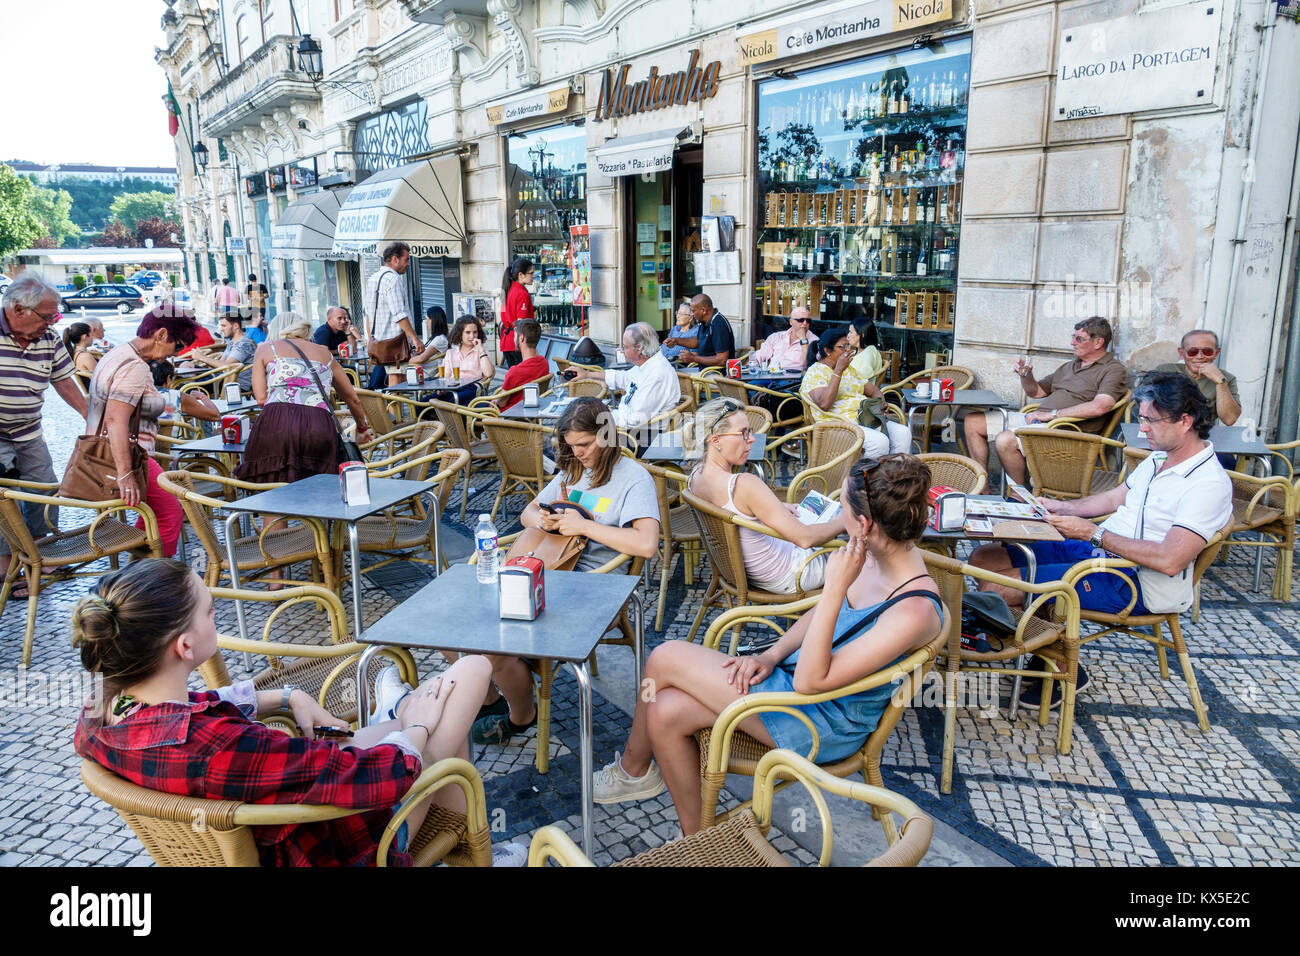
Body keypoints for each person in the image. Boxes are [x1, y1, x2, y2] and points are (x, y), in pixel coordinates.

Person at [72, 558, 527, 867]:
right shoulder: (224, 748)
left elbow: (193, 709)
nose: (217, 616)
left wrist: (287, 697)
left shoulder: (101, 713)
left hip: (274, 823)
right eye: (210, 612)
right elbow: (383, 775)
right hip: (338, 845)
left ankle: (403, 711)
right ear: (185, 646)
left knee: (420, 719)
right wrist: (418, 730)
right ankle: (472, 846)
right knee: (470, 674)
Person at [591, 454, 944, 834]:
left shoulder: (914, 611)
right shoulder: (874, 558)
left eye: (841, 506)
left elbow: (811, 681)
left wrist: (835, 588)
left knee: (664, 656)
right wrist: (771, 654)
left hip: (822, 722)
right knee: (664, 709)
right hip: (796, 686)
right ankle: (699, 839)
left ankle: (633, 769)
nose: (837, 514)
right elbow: (822, 622)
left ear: (864, 523)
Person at [968, 371, 1232, 708]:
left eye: (1150, 420)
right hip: (1101, 550)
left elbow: (1170, 560)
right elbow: (1112, 500)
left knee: (997, 589)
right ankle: (1049, 643)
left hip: (1135, 578)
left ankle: (1061, 660)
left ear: (1185, 421)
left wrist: (1094, 533)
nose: (1143, 429)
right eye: (1141, 419)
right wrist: (1058, 506)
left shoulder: (1207, 484)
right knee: (985, 558)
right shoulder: (1159, 457)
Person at [470, 398, 659, 746]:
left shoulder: (634, 478)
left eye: (585, 444)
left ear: (607, 434)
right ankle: (494, 693)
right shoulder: (573, 469)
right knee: (466, 623)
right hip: (552, 570)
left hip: (596, 585)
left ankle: (519, 713)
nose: (579, 453)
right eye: (571, 446)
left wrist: (582, 527)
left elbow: (647, 545)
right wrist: (545, 519)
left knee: (495, 646)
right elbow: (528, 513)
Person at [685, 397, 841, 592]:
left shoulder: (695, 476)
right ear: (715, 440)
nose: (751, 439)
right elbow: (805, 538)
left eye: (749, 431)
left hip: (750, 571)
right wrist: (845, 521)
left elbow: (737, 513)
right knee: (863, 546)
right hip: (792, 573)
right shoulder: (744, 485)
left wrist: (773, 508)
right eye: (743, 433)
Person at [84, 305, 205, 557]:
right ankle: (157, 581)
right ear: (161, 335)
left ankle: (140, 573)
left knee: (155, 513)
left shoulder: (117, 354)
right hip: (129, 454)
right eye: (178, 345)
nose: (176, 354)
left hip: (109, 452)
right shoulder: (134, 366)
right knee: (170, 511)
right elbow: (116, 420)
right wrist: (125, 472)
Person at [0, 274, 90, 592]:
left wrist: (90, 417)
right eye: (47, 316)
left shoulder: (48, 338)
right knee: (5, 495)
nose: (52, 322)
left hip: (27, 430)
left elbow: (64, 381)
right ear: (18, 309)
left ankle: (42, 549)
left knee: (44, 488)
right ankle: (8, 565)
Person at [964, 316, 1128, 485]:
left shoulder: (1113, 370)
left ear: (1098, 342)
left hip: (1066, 430)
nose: (1072, 342)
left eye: (1079, 339)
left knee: (1006, 440)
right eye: (1073, 337)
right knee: (973, 422)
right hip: (1039, 421)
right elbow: (1035, 392)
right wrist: (1025, 375)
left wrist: (1053, 415)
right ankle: (982, 488)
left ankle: (1018, 497)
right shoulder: (1070, 366)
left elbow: (1101, 406)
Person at [236, 313, 373, 485]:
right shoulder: (325, 354)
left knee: (271, 491)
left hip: (276, 422)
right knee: (319, 488)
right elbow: (353, 399)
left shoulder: (266, 348)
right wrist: (362, 428)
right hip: (317, 422)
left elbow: (261, 399)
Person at [800, 327, 905, 456]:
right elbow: (824, 404)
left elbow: (873, 390)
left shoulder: (849, 370)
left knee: (903, 434)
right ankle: (867, 476)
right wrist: (838, 371)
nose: (848, 351)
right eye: (843, 347)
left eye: (848, 346)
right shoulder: (816, 372)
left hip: (865, 418)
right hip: (837, 425)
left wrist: (880, 402)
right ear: (827, 351)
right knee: (879, 442)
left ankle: (897, 474)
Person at [567, 322, 681, 432]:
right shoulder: (648, 364)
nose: (621, 351)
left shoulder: (657, 374)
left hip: (643, 436)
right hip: (632, 427)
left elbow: (634, 420)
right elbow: (624, 377)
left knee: (581, 428)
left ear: (639, 348)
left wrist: (602, 413)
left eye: (625, 347)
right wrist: (587, 374)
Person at [364, 242, 423, 388]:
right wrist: (415, 339)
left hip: (379, 340)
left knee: (397, 380)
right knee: (397, 382)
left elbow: (367, 313)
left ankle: (396, 410)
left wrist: (370, 337)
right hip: (394, 341)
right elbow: (399, 314)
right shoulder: (393, 279)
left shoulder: (373, 278)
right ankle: (393, 411)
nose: (409, 264)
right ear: (395, 259)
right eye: (406, 259)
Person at [1157, 329, 1240, 426]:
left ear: (1216, 353)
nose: (1200, 356)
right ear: (1181, 353)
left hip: (1201, 434)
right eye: (1193, 352)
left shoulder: (1226, 379)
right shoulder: (1164, 371)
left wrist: (1221, 383)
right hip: (1166, 430)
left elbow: (1229, 419)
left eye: (1207, 352)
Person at [187, 312, 257, 391]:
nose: (221, 329)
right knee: (187, 366)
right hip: (222, 378)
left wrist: (202, 358)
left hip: (234, 384)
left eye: (224, 326)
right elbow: (220, 365)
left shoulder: (244, 344)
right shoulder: (232, 342)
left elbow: (227, 365)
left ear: (236, 326)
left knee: (186, 388)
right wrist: (200, 361)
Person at [436, 314, 494, 405]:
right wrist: (443, 389)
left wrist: (480, 349)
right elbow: (446, 377)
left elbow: (489, 373)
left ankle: (446, 415)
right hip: (453, 387)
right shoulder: (451, 352)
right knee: (427, 402)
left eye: (475, 332)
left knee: (452, 402)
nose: (472, 336)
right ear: (460, 334)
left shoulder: (481, 350)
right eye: (468, 332)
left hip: (472, 388)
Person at [496, 319, 550, 411]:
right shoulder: (544, 363)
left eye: (514, 335)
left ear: (522, 338)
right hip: (529, 413)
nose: (513, 339)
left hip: (507, 417)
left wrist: (494, 400)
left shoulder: (515, 371)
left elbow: (501, 403)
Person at [671, 293, 734, 367]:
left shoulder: (718, 324)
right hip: (703, 370)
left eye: (693, 311)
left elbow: (722, 360)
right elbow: (697, 342)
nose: (692, 315)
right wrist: (676, 341)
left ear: (703, 311)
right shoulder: (703, 321)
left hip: (716, 373)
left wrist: (693, 358)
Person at [752, 306, 817, 372]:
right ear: (791, 322)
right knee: (753, 382)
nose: (805, 323)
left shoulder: (814, 340)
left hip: (793, 379)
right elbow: (761, 355)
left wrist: (803, 340)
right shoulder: (776, 337)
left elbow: (809, 366)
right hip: (771, 375)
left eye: (808, 320)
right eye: (801, 320)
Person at [500, 258, 535, 369]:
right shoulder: (522, 293)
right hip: (518, 344)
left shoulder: (507, 289)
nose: (534, 275)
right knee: (523, 379)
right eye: (531, 273)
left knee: (514, 378)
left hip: (506, 342)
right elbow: (522, 323)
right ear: (521, 275)